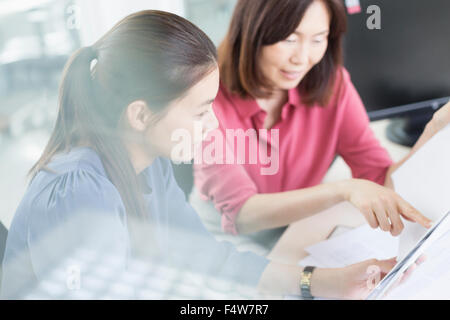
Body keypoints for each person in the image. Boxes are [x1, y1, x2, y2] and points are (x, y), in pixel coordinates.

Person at [1, 10, 425, 300]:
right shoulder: (78, 193)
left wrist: (321, 282)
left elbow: (208, 259)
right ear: (140, 114)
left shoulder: (151, 167)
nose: (214, 125)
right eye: (202, 111)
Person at [192, 0, 449, 249]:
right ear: (251, 30)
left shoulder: (333, 85)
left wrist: (434, 128)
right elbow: (241, 214)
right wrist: (342, 190)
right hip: (222, 241)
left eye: (318, 39)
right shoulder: (205, 96)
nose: (302, 58)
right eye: (289, 39)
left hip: (296, 229)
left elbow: (381, 181)